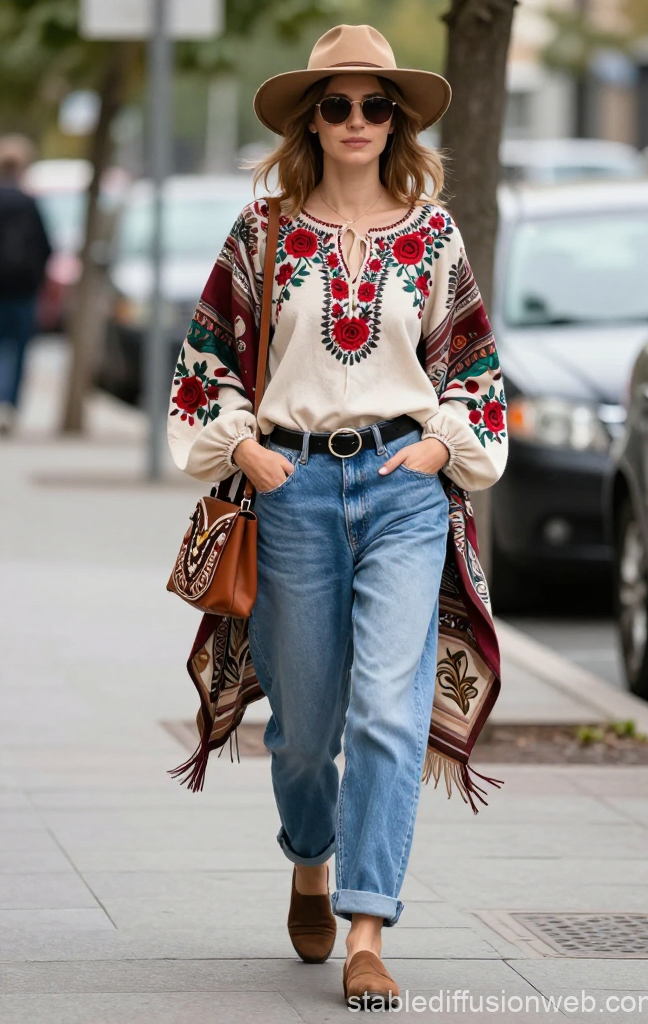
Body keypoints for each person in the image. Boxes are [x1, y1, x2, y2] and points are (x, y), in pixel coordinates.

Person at [167, 24, 507, 1010]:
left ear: (396, 118)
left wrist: (443, 445)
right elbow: (200, 374)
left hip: (404, 489)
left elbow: (478, 377)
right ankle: (310, 858)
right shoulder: (262, 230)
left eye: (375, 104)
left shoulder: (433, 231)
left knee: (390, 716)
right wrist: (244, 449)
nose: (357, 121)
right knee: (307, 731)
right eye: (336, 104)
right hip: (292, 491)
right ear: (308, 119)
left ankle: (368, 926)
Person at [0, 134, 51, 434]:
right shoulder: (29, 202)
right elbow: (45, 247)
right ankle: (9, 405)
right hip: (22, 290)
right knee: (19, 350)